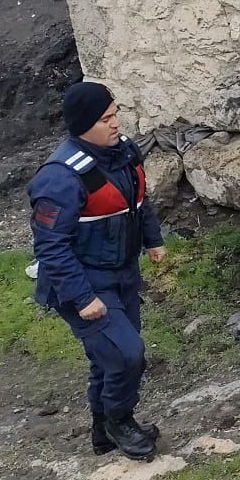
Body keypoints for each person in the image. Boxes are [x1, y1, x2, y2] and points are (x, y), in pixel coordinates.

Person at [29, 80, 166, 459]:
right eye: (106, 118)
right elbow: (50, 247)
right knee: (126, 354)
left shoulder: (122, 153)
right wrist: (83, 297)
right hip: (84, 282)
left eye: (116, 113)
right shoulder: (59, 178)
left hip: (121, 272)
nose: (116, 123)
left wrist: (153, 240)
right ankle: (119, 421)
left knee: (107, 356)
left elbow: (139, 202)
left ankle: (102, 433)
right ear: (84, 124)